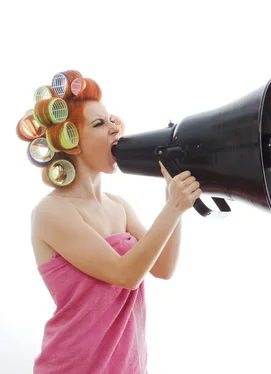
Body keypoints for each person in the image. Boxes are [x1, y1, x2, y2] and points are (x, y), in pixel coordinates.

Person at [16, 70, 201, 373]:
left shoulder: (119, 207)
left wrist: (175, 202)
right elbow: (126, 274)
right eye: (99, 123)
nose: (115, 128)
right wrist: (171, 208)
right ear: (71, 141)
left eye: (112, 119)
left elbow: (164, 268)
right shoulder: (51, 212)